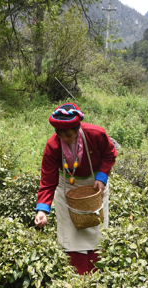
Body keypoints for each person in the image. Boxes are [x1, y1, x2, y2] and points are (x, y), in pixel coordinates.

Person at [34, 103, 117, 275]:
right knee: (69, 234)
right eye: (60, 134)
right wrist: (42, 210)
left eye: (69, 134)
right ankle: (75, 275)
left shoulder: (96, 134)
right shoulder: (53, 145)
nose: (65, 138)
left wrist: (102, 178)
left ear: (78, 128)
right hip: (66, 187)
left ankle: (98, 274)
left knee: (97, 231)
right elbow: (48, 179)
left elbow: (109, 154)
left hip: (94, 185)